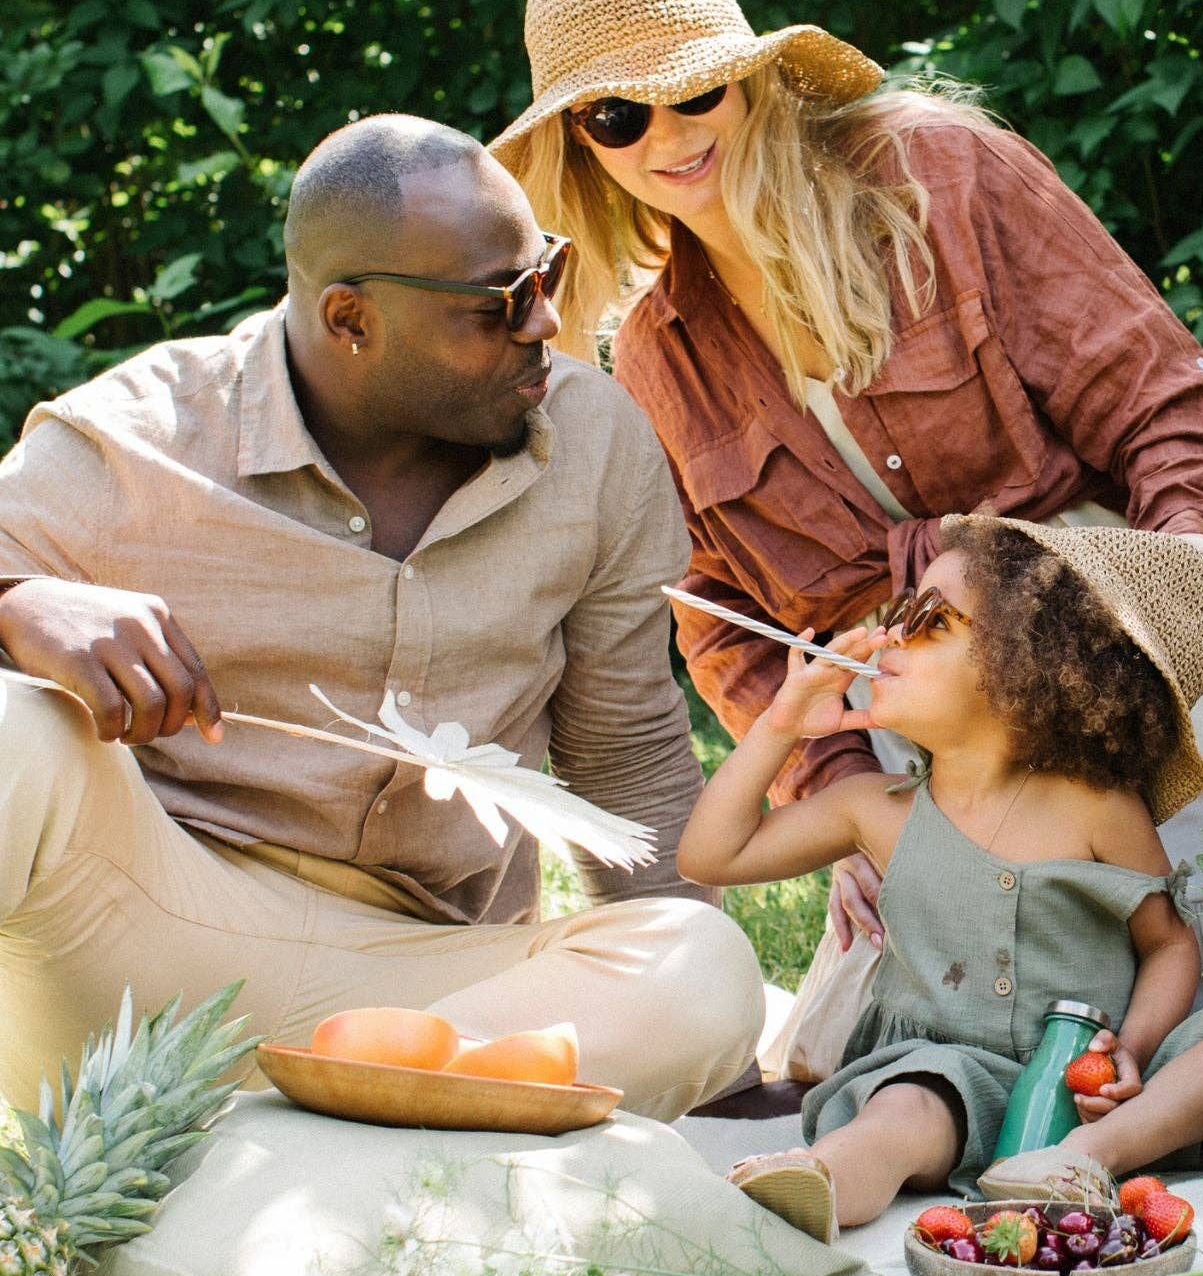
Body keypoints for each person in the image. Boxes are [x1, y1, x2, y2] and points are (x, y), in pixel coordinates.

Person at [488, 0, 1203, 1053]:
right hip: (914, 717)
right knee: (858, 1054)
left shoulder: (939, 172)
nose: (666, 137)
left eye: (694, 91)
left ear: (751, 76)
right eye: (618, 115)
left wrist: (1178, 582)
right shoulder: (656, 357)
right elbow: (727, 624)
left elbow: (1155, 392)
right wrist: (834, 800)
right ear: (580, 142)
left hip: (1102, 624)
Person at [0, 114, 763, 1120]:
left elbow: (625, 746)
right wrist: (20, 602)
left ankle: (294, 1144)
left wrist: (718, 1063)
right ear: (350, 319)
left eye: (550, 275)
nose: (543, 322)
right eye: (502, 303)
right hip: (150, 936)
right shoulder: (140, 437)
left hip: (438, 987)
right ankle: (379, 1146)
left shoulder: (595, 444)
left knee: (703, 964)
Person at [673, 520, 1203, 1237]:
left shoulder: (1098, 809)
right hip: (943, 1075)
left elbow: (1169, 945)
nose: (889, 637)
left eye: (927, 618)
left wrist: (1133, 1046)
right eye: (898, 613)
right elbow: (710, 856)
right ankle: (809, 1190)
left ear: (1026, 664)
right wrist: (781, 724)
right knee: (901, 1112)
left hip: (1084, 1091)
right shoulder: (875, 809)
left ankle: (1079, 1161)